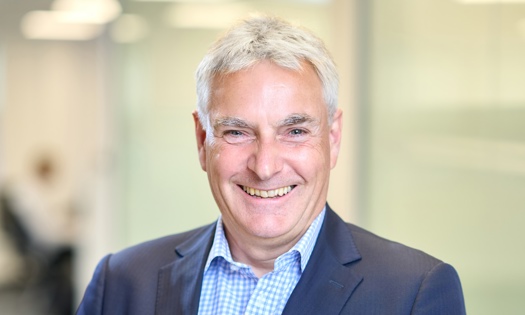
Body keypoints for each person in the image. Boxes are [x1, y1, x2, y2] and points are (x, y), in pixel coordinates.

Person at [77, 15, 466, 314]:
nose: (264, 166)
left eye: (295, 131)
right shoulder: (123, 282)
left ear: (332, 137)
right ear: (202, 140)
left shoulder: (413, 293)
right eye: (236, 132)